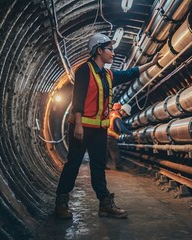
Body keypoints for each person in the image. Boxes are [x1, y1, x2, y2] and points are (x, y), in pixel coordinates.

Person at [55, 33, 161, 219]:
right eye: (110, 49)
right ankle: (61, 203)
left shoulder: (108, 74)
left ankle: (104, 204)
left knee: (98, 166)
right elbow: (77, 97)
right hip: (82, 128)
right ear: (99, 50)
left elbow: (130, 73)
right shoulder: (84, 70)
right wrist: (78, 124)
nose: (113, 52)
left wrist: (152, 64)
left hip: (99, 130)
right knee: (73, 164)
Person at [107, 103, 132, 170]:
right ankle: (119, 167)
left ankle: (102, 165)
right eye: (126, 114)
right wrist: (130, 133)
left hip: (106, 135)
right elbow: (121, 128)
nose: (125, 115)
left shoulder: (113, 113)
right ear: (123, 111)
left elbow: (122, 123)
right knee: (115, 151)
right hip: (111, 137)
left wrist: (130, 125)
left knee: (105, 152)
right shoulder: (117, 116)